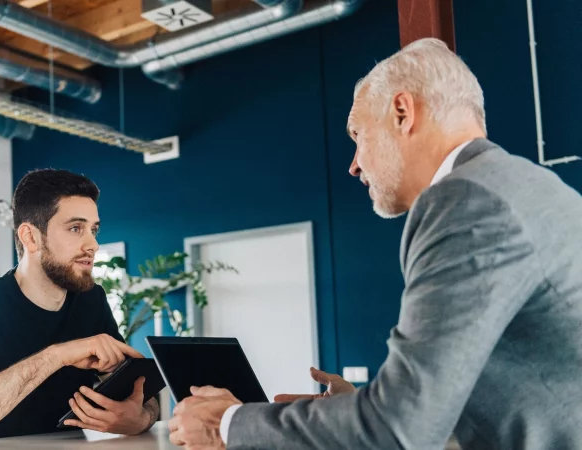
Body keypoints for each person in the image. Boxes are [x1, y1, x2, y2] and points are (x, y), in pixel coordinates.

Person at [169, 38, 582, 450]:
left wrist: (225, 424)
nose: (353, 164)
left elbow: (400, 429)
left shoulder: (467, 199)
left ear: (402, 112)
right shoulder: (520, 184)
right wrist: (353, 410)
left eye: (358, 135)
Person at [0, 169, 159, 447]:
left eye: (94, 230)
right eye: (75, 228)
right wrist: (56, 356)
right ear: (31, 237)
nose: (93, 244)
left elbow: (144, 394)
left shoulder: (91, 300)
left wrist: (140, 418)